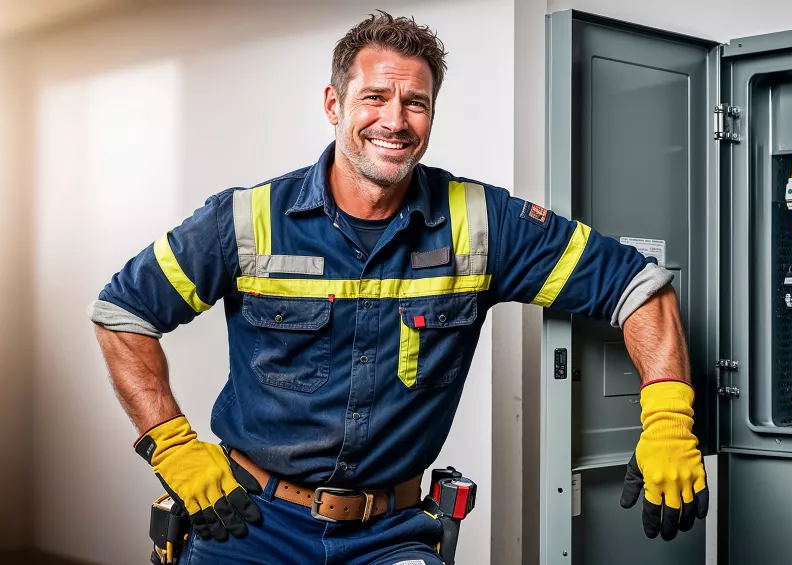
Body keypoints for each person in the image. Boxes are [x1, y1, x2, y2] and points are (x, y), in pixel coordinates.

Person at [88, 10, 708, 564]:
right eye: (375, 97)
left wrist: (668, 419)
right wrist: (169, 443)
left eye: (416, 102)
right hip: (249, 525)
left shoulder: (481, 222)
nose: (395, 120)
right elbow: (123, 311)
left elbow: (637, 284)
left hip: (390, 534)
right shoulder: (247, 220)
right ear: (334, 103)